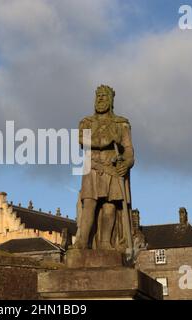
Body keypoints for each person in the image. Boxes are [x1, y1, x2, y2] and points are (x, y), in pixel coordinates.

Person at [75, 85, 134, 253]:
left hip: (113, 169)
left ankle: (105, 243)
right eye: (98, 96)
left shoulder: (121, 124)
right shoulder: (87, 122)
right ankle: (82, 242)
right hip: (92, 167)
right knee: (89, 204)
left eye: (104, 96)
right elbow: (82, 140)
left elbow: (129, 150)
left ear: (111, 100)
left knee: (110, 206)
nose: (100, 99)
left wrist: (127, 163)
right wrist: (105, 141)